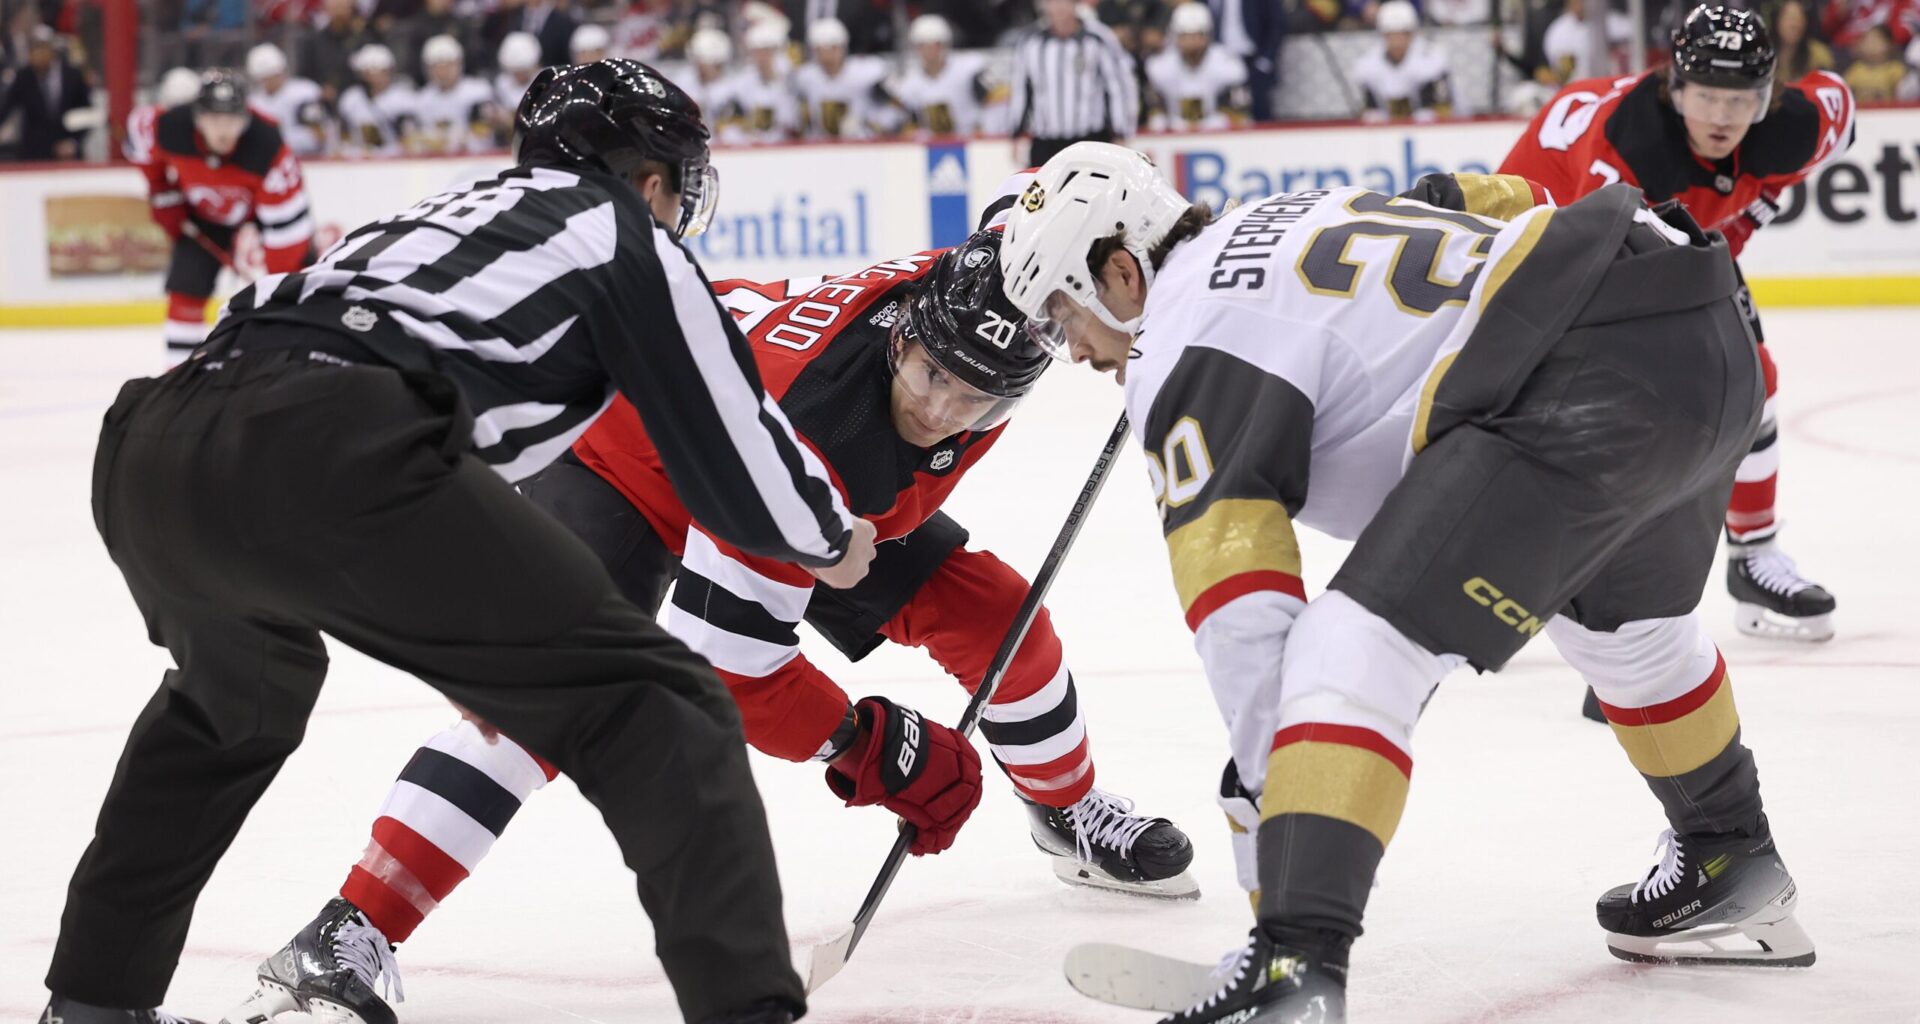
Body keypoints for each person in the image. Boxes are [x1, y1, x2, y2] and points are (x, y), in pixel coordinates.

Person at [40, 59, 869, 1024]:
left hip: (155, 439)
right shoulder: (623, 233)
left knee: (234, 704)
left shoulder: (444, 211)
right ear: (649, 181)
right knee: (662, 703)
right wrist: (830, 537)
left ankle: (92, 1008)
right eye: (679, 187)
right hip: (328, 436)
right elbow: (737, 450)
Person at [220, 223, 1200, 1024]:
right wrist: (871, 744)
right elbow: (732, 671)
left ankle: (1066, 812)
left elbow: (1057, 216)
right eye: (930, 373)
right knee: (545, 699)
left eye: (974, 395)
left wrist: (1155, 290)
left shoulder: (982, 284)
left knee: (997, 616)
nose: (941, 410)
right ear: (900, 335)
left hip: (817, 482)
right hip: (630, 459)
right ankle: (351, 926)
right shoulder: (809, 427)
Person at [999, 142, 1813, 1023]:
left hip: (1581, 379)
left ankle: (1293, 972)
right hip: (1698, 323)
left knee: (1345, 652)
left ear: (1121, 272)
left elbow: (1240, 608)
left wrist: (1277, 801)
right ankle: (1731, 854)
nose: (1071, 349)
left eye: (1060, 313)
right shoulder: (1291, 208)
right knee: (1626, 636)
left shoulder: (1180, 347)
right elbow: (1510, 195)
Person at [1500, 5, 1851, 650]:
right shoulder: (1626, 153)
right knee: (1576, 401)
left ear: (1767, 97)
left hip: (1663, 232)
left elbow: (1841, 109)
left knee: (1752, 381)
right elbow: (1590, 274)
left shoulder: (1793, 126)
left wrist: (1742, 219)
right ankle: (1516, 570)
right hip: (1546, 234)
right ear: (1676, 87)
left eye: (1741, 100)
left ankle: (1753, 558)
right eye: (1707, 96)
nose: (1722, 117)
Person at [131, 69, 315, 365]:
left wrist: (279, 285)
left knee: (296, 290)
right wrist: (162, 191)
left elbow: (288, 234)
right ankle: (179, 376)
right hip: (201, 218)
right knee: (185, 290)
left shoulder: (267, 148)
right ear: (197, 118)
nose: (223, 131)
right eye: (214, 120)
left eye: (232, 120)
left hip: (261, 219)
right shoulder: (169, 128)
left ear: (246, 119)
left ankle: (295, 362)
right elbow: (138, 136)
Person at [1009, 0, 1138, 165]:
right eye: (1052, 3)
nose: (1059, 8)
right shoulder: (1031, 42)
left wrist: (1120, 132)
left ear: (1075, 4)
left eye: (1065, 2)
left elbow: (1117, 86)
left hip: (1091, 139)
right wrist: (1016, 133)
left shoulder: (1098, 38)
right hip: (1045, 141)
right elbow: (1021, 89)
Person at [1145, 3, 1249, 132]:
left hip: (1217, 132)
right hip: (1174, 132)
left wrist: (1212, 124)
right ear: (1175, 37)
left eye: (1198, 35)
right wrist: (1167, 123)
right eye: (1186, 35)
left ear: (1208, 35)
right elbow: (1154, 112)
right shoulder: (1159, 66)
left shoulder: (1228, 65)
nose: (1192, 42)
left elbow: (1240, 115)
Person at [891, 14, 998, 138]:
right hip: (935, 143)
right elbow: (906, 120)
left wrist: (986, 127)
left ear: (945, 45)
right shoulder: (910, 83)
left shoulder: (970, 67)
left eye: (935, 44)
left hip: (974, 138)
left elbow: (999, 93)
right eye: (923, 45)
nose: (929, 50)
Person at [1351, 0, 1456, 122]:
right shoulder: (1368, 64)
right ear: (1383, 35)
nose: (1397, 40)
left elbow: (1443, 107)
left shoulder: (1432, 58)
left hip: (1429, 126)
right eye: (1392, 34)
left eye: (1403, 33)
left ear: (1412, 34)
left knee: (1425, 115)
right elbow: (1368, 108)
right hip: (1386, 127)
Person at [0, 25, 91, 160]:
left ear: (51, 50)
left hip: (67, 152)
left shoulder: (73, 76)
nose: (38, 55)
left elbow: (86, 112)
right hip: (33, 153)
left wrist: (74, 142)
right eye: (34, 50)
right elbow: (6, 108)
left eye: (42, 49)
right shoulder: (24, 77)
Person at [793, 17, 891, 140]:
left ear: (843, 47)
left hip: (858, 142)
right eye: (821, 50)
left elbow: (893, 101)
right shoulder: (805, 76)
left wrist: (871, 122)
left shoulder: (864, 71)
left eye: (833, 48)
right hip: (820, 143)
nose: (827, 56)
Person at [409, 34, 498, 154]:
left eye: (448, 66)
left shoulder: (479, 91)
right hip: (437, 160)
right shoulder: (421, 99)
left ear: (459, 64)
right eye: (436, 67)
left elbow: (486, 134)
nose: (442, 72)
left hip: (478, 157)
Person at [245, 42, 330, 156]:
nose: (268, 81)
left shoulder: (305, 92)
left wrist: (275, 140)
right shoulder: (254, 102)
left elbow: (319, 136)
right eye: (264, 78)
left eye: (273, 74)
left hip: (310, 159)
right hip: (272, 162)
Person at [336, 43, 418, 158]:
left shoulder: (403, 99)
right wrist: (354, 152)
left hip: (395, 159)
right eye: (368, 72)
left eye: (380, 71)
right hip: (359, 158)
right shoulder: (351, 98)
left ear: (389, 71)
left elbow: (410, 139)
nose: (374, 77)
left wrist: (385, 153)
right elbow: (343, 136)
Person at [728, 19, 802, 144]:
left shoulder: (789, 80)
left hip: (782, 145)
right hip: (751, 145)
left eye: (767, 52)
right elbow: (733, 124)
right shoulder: (741, 83)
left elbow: (793, 122)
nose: (762, 58)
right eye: (758, 52)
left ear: (776, 52)